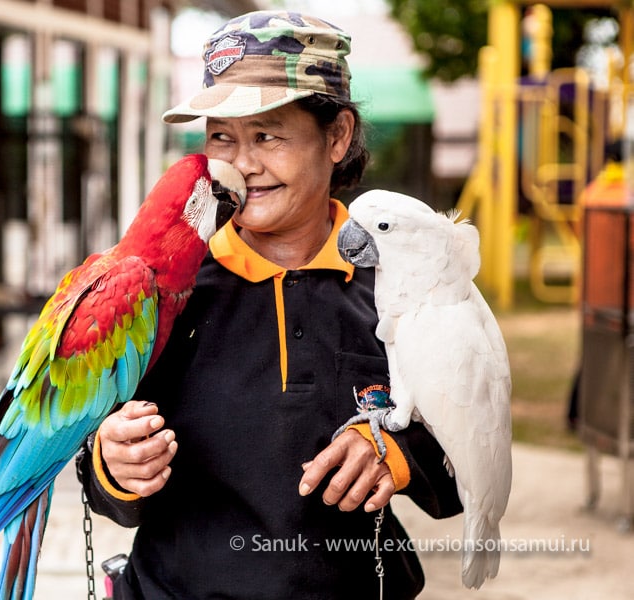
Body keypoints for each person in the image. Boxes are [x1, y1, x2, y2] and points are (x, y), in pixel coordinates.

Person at [76, 11, 462, 599]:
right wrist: (114, 464)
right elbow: (103, 484)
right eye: (222, 137)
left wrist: (398, 454)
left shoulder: (403, 287)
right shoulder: (161, 292)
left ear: (336, 137)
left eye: (268, 135)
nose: (243, 165)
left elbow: (466, 468)